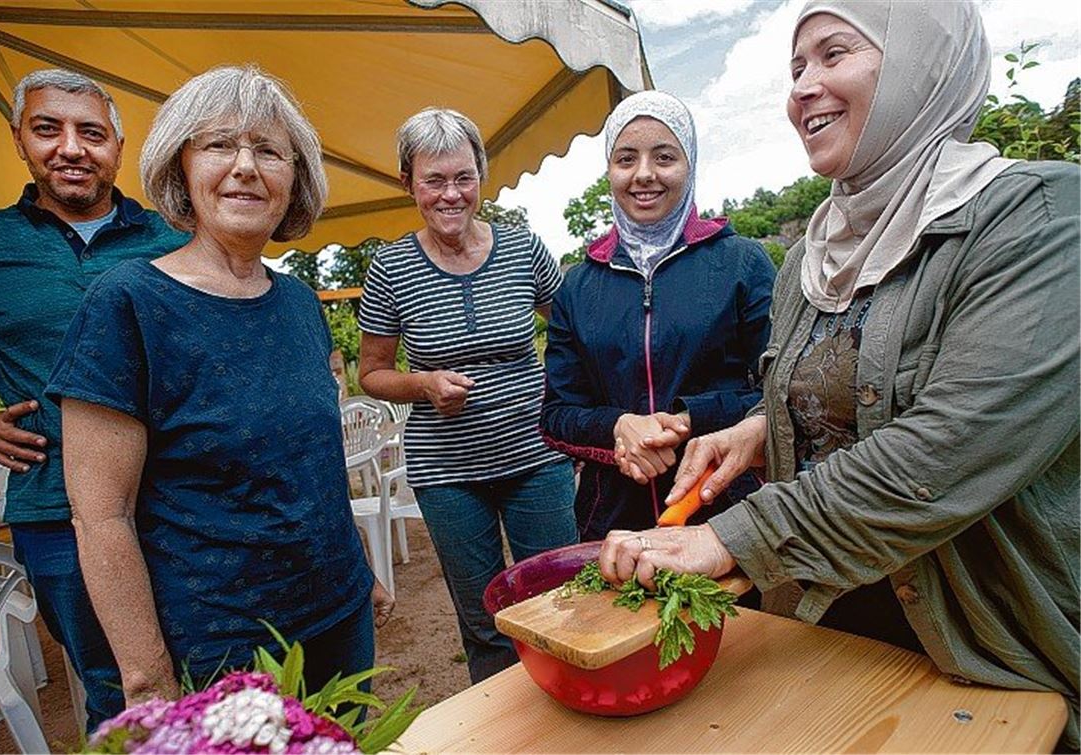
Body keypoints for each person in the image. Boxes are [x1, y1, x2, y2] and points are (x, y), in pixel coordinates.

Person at [598, 2, 1079, 749]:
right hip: (826, 632)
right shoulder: (809, 257)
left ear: (924, 62)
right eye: (795, 68)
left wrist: (732, 536)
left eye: (833, 54)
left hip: (990, 655)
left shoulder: (1038, 219)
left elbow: (948, 448)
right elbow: (845, 391)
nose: (803, 88)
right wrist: (762, 429)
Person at [45, 66, 392, 706]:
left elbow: (312, 464)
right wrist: (147, 682)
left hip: (338, 619)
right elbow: (100, 518)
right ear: (181, 167)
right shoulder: (126, 303)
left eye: (267, 150)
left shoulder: (297, 301)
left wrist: (359, 571)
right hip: (219, 645)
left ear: (295, 179)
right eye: (218, 145)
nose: (245, 167)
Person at [0, 69, 189, 729]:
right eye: (48, 129)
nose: (71, 148)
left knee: (217, 669)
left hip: (186, 503)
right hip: (56, 512)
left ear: (118, 145)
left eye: (91, 132)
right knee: (119, 693)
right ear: (20, 139)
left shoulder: (175, 239)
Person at [356, 107, 577, 683]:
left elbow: (577, 332)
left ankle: (575, 709)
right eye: (434, 180)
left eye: (464, 177)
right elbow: (372, 373)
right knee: (484, 619)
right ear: (409, 183)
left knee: (563, 598)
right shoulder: (391, 266)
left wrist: (572, 398)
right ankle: (502, 730)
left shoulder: (524, 249)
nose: (451, 194)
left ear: (481, 175)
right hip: (448, 471)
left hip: (538, 456)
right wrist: (423, 385)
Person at [541, 91, 775, 542]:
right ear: (609, 170)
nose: (644, 174)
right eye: (626, 159)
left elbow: (782, 392)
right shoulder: (579, 285)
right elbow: (557, 414)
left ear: (689, 166)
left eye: (664, 157)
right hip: (610, 524)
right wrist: (618, 427)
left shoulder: (742, 265)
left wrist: (691, 421)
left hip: (723, 514)